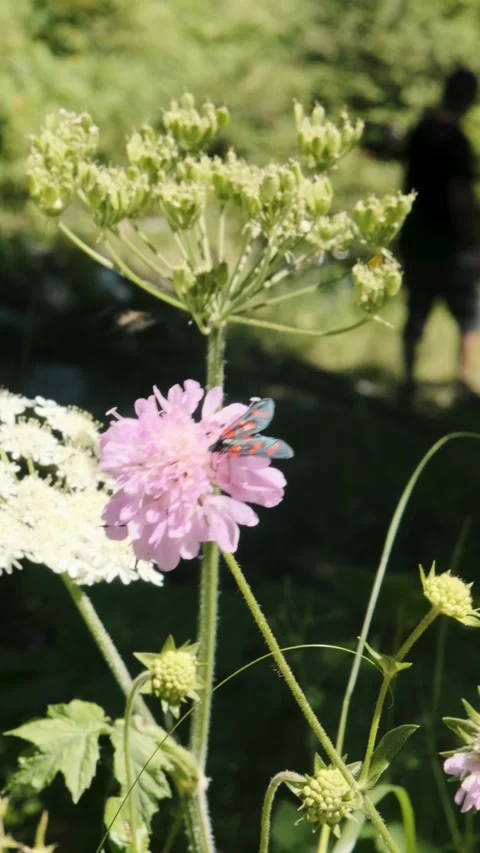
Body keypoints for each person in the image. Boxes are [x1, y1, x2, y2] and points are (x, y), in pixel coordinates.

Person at [399, 67, 480, 399]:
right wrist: (473, 239)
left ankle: (408, 382)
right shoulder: (457, 143)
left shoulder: (421, 131)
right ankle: (463, 382)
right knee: (470, 315)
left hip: (416, 237)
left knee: (416, 311)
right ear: (470, 100)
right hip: (450, 246)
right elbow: (459, 196)